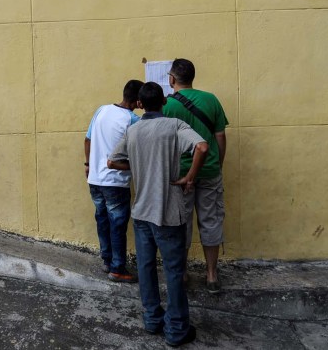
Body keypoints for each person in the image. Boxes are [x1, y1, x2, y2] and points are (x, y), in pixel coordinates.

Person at [108, 82, 208, 347]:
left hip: (141, 212)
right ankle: (176, 329)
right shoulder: (174, 126)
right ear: (164, 100)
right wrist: (189, 177)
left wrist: (137, 167)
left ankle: (152, 319)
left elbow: (111, 161)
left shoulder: (133, 130)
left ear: (140, 104)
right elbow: (202, 147)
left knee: (146, 266)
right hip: (168, 213)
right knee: (174, 270)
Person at [163, 58, 229, 294]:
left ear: (171, 79)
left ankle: (182, 273)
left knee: (182, 223)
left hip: (180, 175)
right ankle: (211, 275)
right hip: (210, 170)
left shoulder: (167, 105)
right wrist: (216, 164)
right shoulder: (210, 99)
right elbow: (220, 137)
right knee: (211, 221)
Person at [84, 79, 144, 283]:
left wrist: (88, 165)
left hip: (95, 179)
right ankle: (118, 268)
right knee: (117, 224)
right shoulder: (133, 120)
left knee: (102, 219)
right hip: (115, 181)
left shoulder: (102, 110)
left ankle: (107, 259)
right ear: (138, 100)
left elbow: (88, 139)